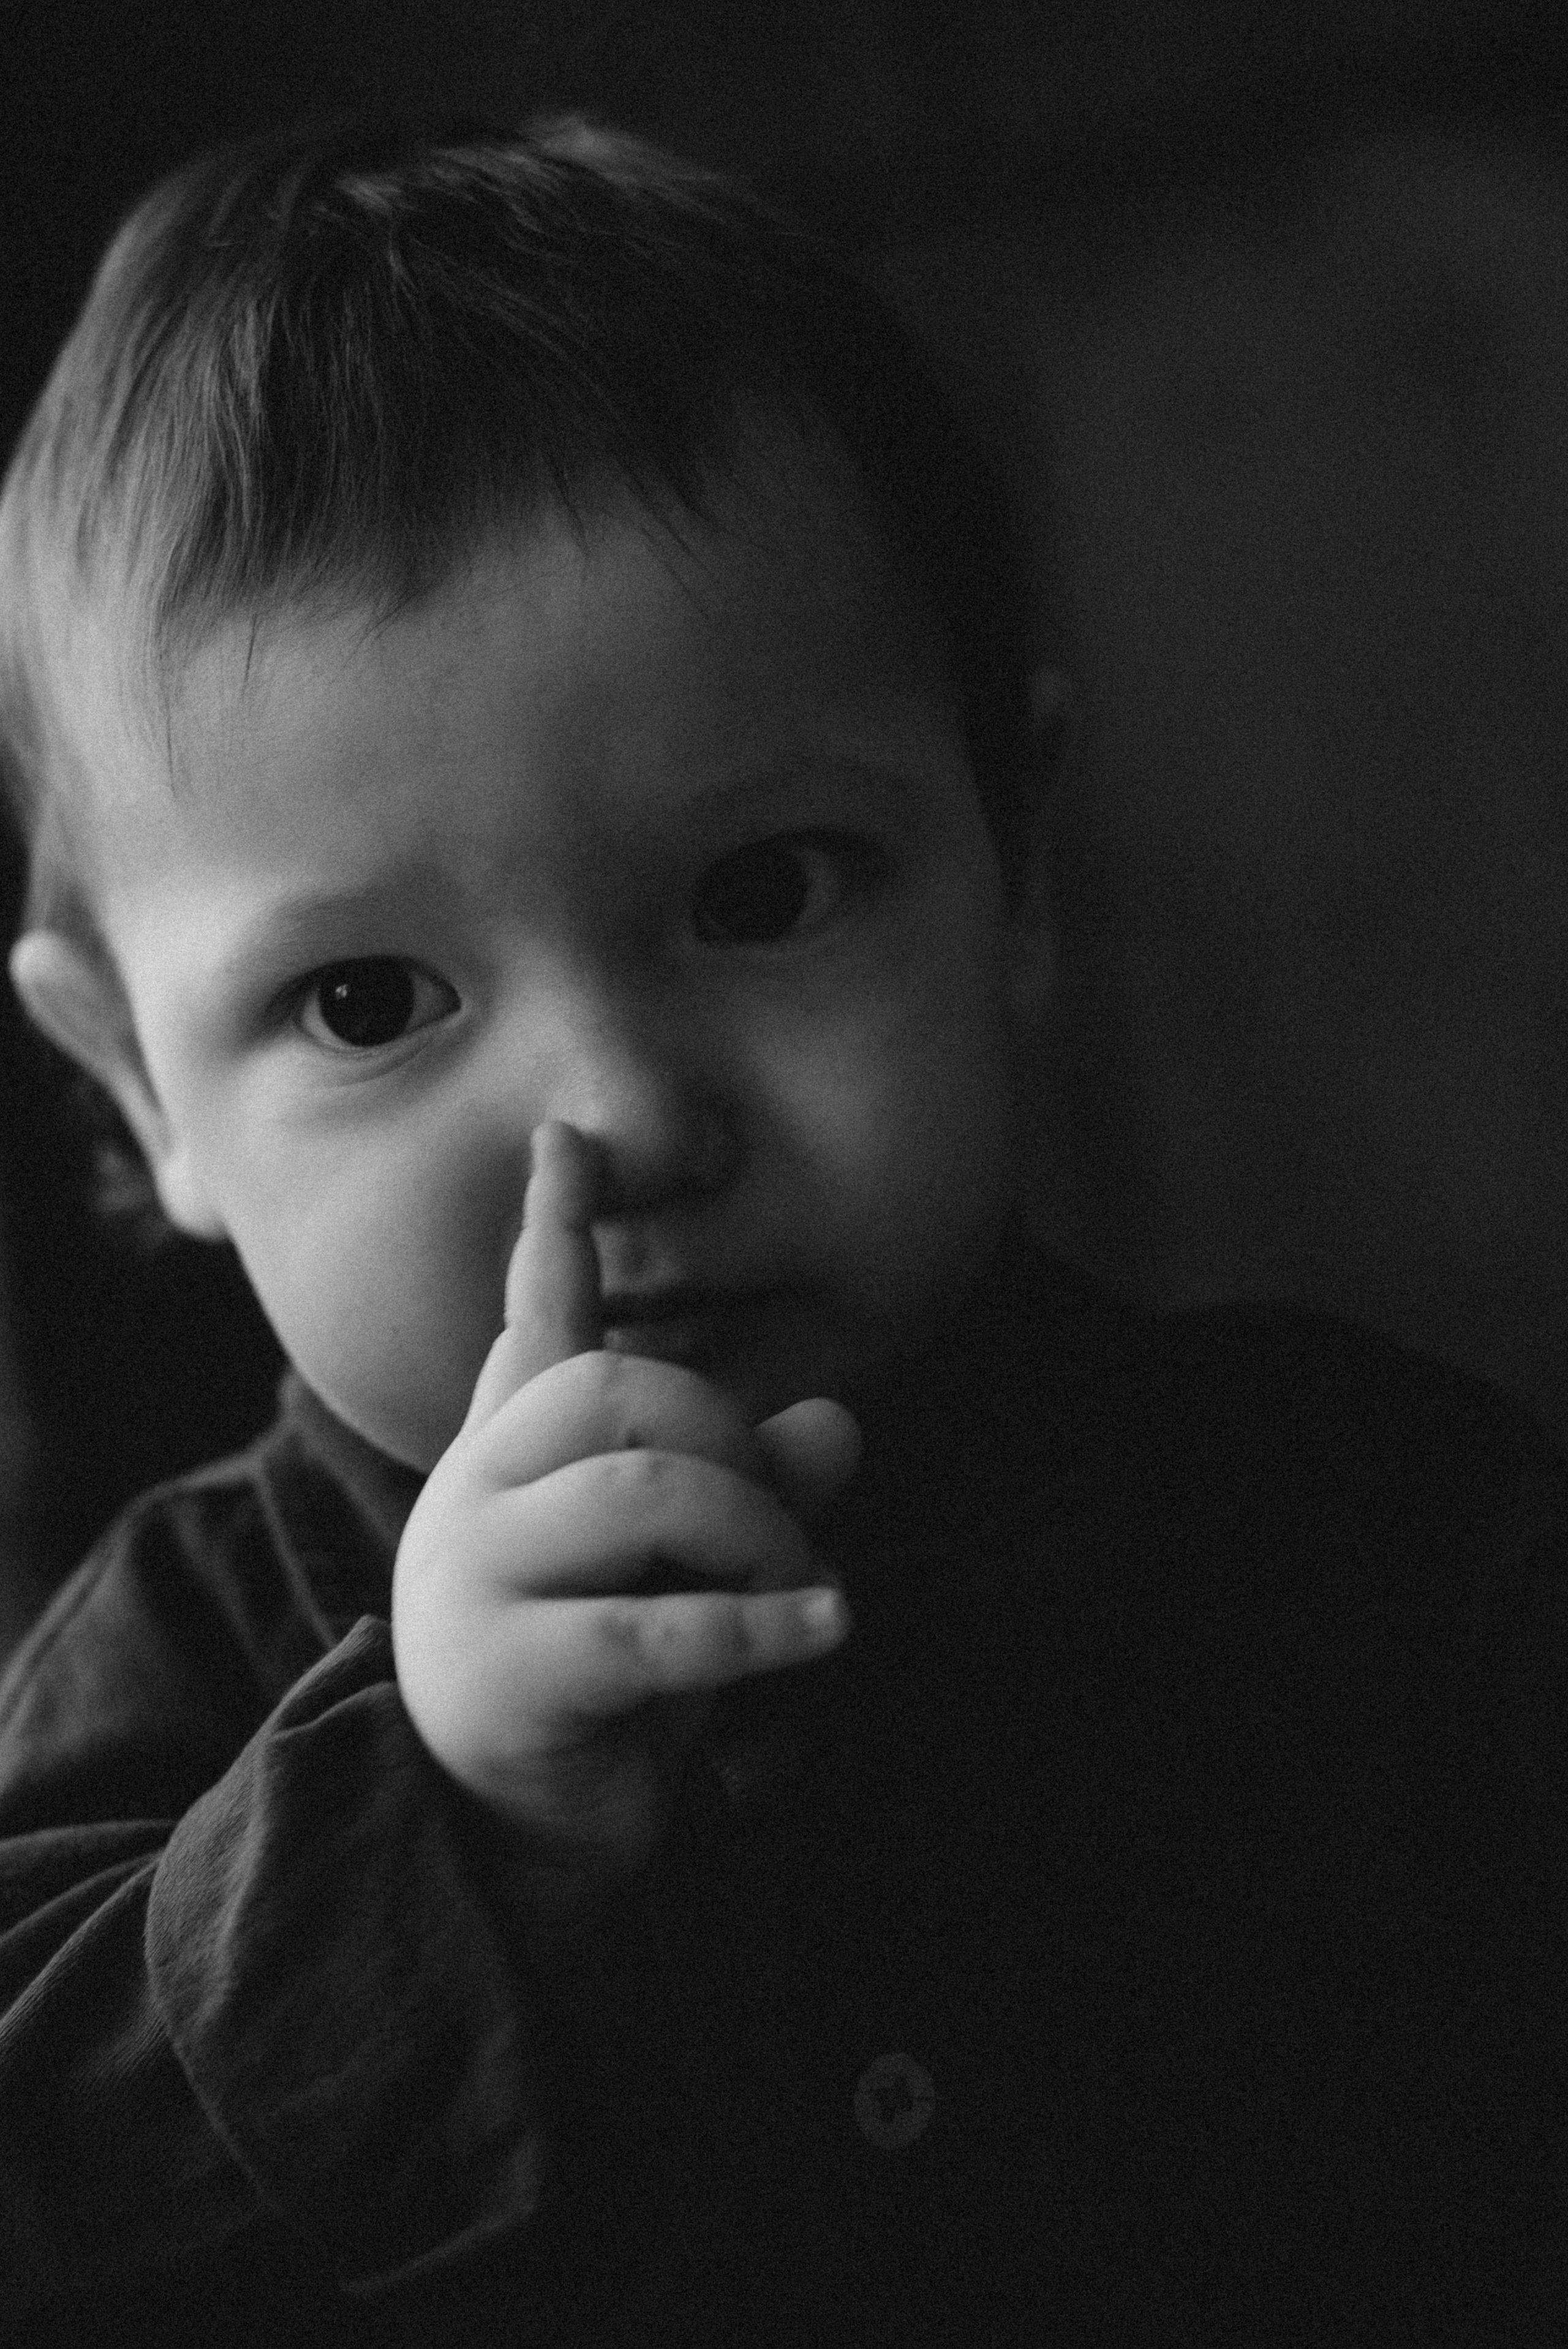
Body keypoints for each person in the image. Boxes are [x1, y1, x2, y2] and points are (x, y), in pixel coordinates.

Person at [0, 116, 1562, 2347]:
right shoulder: (168, 1669)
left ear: (1012, 864)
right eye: (367, 1002)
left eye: (763, 895)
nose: (623, 1114)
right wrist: (437, 1826)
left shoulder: (1360, 1540)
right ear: (139, 1092)